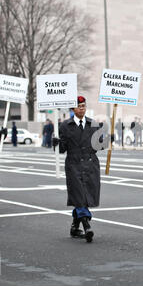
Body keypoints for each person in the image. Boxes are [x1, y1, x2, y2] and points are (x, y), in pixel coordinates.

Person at [52, 96, 103, 243]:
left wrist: (106, 140)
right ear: (73, 109)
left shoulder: (93, 124)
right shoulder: (65, 126)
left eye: (83, 105)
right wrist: (56, 143)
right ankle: (87, 226)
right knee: (79, 196)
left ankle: (75, 227)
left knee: (86, 196)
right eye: (79, 106)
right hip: (74, 164)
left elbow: (98, 147)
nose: (82, 108)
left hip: (90, 164)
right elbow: (62, 149)